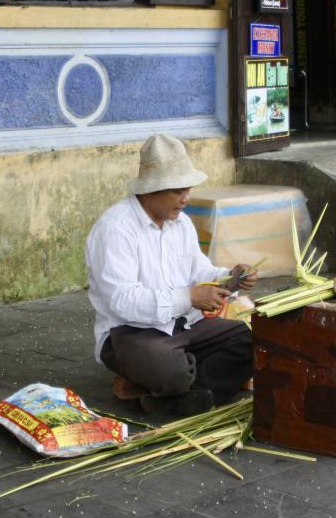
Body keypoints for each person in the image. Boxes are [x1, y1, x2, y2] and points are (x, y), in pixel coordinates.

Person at [85, 134, 257, 416]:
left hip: (185, 326)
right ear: (152, 189)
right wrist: (188, 297)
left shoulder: (182, 224)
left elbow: (199, 271)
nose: (186, 198)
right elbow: (122, 301)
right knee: (170, 370)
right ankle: (184, 383)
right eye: (178, 191)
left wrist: (231, 277)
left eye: (187, 189)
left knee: (254, 341)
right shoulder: (115, 229)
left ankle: (170, 392)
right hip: (131, 333)